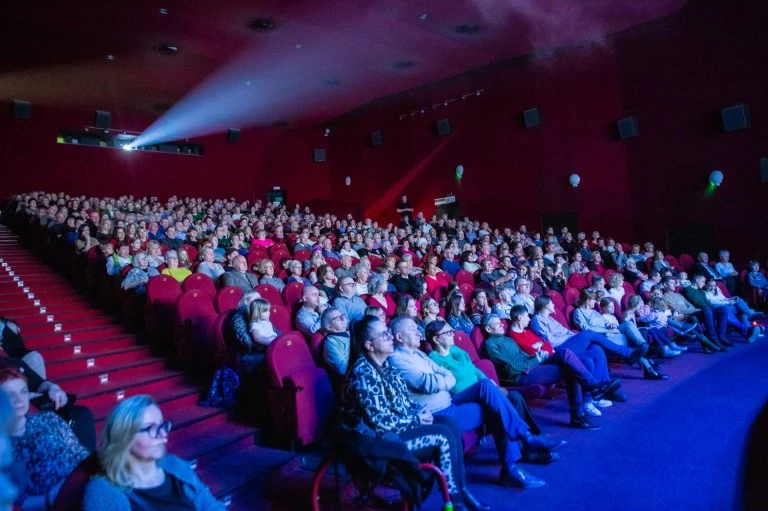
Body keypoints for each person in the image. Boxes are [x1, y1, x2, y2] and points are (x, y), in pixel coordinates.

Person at [388, 317, 555, 489]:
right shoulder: (397, 359)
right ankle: (514, 461)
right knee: (496, 408)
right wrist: (443, 379)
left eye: (417, 328)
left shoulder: (420, 354)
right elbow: (431, 383)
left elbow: (446, 376)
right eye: (411, 329)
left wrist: (443, 379)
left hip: (450, 402)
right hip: (438, 413)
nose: (418, 332)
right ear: (399, 337)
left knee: (486, 388)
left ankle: (523, 442)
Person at [339, 316, 487, 510]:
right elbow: (380, 422)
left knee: (448, 424)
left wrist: (418, 412)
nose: (390, 336)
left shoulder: (387, 366)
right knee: (442, 435)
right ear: (369, 345)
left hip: (398, 427)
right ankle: (455, 500)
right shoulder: (363, 373)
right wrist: (416, 419)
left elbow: (404, 402)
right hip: (375, 438)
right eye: (384, 335)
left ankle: (460, 489)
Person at [82, 395, 224, 511]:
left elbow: (211, 506)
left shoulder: (175, 465)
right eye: (150, 428)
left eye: (162, 425)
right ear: (124, 437)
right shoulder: (102, 491)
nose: (163, 434)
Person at [491, 310, 613, 429]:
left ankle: (584, 402)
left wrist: (536, 356)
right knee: (569, 366)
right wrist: (536, 359)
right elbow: (510, 368)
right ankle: (586, 398)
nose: (502, 324)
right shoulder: (491, 344)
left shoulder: (507, 339)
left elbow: (525, 354)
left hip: (532, 365)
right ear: (488, 329)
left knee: (569, 358)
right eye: (497, 323)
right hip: (520, 375)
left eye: (500, 322)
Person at [425, 321, 545, 441]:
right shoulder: (434, 360)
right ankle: (529, 440)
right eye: (448, 333)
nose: (453, 334)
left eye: (452, 331)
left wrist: (488, 381)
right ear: (436, 339)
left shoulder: (454, 349)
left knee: (514, 396)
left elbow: (474, 369)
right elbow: (453, 387)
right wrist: (484, 390)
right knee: (504, 402)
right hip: (464, 395)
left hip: (482, 389)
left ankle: (531, 439)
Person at [1, 367, 88, 509]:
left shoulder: (49, 419)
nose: (19, 400)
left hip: (81, 487)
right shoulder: (3, 445)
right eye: (9, 395)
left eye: (23, 392)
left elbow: (80, 454)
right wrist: (52, 497)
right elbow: (13, 502)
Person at [530, 295, 655, 383]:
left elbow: (566, 331)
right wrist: (571, 336)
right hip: (559, 350)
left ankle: (603, 382)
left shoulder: (550, 318)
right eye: (551, 303)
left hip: (569, 342)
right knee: (588, 333)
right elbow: (551, 341)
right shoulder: (537, 320)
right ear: (546, 305)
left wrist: (572, 335)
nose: (553, 305)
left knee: (596, 349)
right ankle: (628, 353)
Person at [320, 307, 351, 380]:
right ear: (329, 327)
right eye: (338, 318)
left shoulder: (350, 332)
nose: (343, 319)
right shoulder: (331, 343)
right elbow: (343, 370)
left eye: (342, 316)